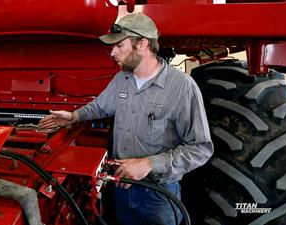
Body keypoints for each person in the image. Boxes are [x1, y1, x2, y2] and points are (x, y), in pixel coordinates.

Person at [39, 13, 214, 225]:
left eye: (119, 46)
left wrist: (149, 163)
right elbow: (100, 107)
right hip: (120, 187)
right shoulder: (122, 79)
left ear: (142, 44)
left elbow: (200, 148)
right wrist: (74, 116)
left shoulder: (182, 87)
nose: (112, 53)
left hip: (157, 195)